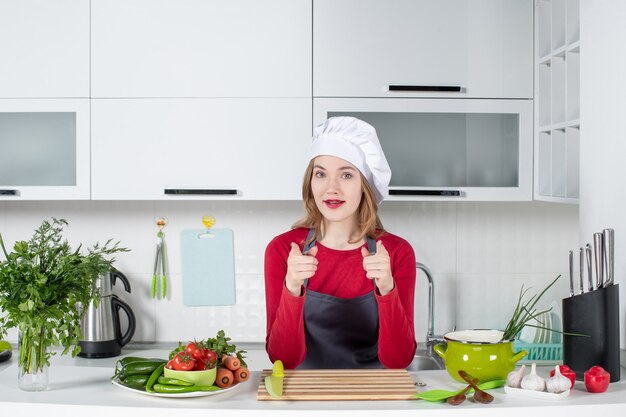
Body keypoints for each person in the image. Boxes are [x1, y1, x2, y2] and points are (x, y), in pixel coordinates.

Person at [264, 116, 417, 369]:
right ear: (310, 182)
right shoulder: (284, 250)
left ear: (364, 186)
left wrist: (387, 288)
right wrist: (292, 287)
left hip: (376, 401)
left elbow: (399, 361)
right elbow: (283, 360)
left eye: (346, 175)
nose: (331, 188)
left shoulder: (396, 252)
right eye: (321, 174)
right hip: (304, 400)